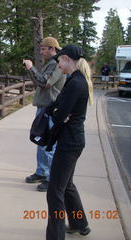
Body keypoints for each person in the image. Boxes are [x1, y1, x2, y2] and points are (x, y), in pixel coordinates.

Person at [46, 44, 93, 240]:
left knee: (54, 191)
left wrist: (58, 113)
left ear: (66, 59)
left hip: (69, 143)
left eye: (59, 61)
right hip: (72, 141)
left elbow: (58, 115)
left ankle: (55, 236)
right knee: (67, 185)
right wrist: (56, 112)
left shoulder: (76, 83)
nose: (58, 65)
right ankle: (79, 223)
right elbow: (55, 108)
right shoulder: (75, 79)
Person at [23, 37, 66, 192]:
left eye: (43, 49)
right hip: (43, 108)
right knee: (42, 141)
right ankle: (42, 172)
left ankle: (51, 178)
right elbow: (39, 82)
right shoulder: (51, 63)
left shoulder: (56, 64)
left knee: (49, 144)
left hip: (50, 109)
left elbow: (45, 83)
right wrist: (31, 70)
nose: (41, 52)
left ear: (52, 49)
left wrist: (31, 67)